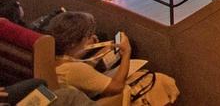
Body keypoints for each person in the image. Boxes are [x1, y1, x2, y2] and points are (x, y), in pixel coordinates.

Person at [50, 10, 179, 105]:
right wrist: (126, 53)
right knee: (155, 80)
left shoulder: (55, 59)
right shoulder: (74, 70)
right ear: (74, 42)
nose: (93, 37)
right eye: (88, 35)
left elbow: (83, 68)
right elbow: (117, 87)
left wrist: (104, 51)